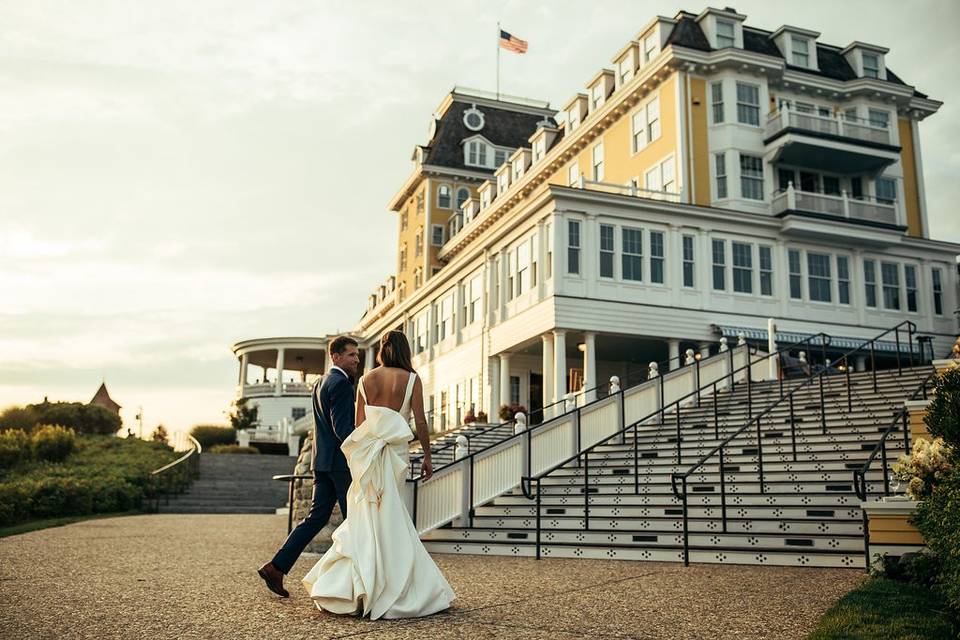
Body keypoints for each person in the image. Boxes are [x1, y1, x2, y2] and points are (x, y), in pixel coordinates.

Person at [302, 330, 454, 619]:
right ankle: (395, 583)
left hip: (371, 455)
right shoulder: (412, 379)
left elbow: (360, 427)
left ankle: (360, 583)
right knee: (393, 515)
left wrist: (359, 458)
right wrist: (428, 456)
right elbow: (420, 421)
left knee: (369, 516)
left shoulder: (365, 380)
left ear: (382, 350)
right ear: (405, 350)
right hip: (395, 455)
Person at [257, 335, 360, 597]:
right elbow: (342, 429)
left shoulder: (320, 383)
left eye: (357, 355)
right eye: (351, 354)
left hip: (322, 462)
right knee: (355, 521)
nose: (356, 359)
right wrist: (363, 446)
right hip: (340, 464)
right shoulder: (341, 384)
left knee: (315, 518)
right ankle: (353, 584)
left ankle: (276, 567)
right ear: (335, 356)